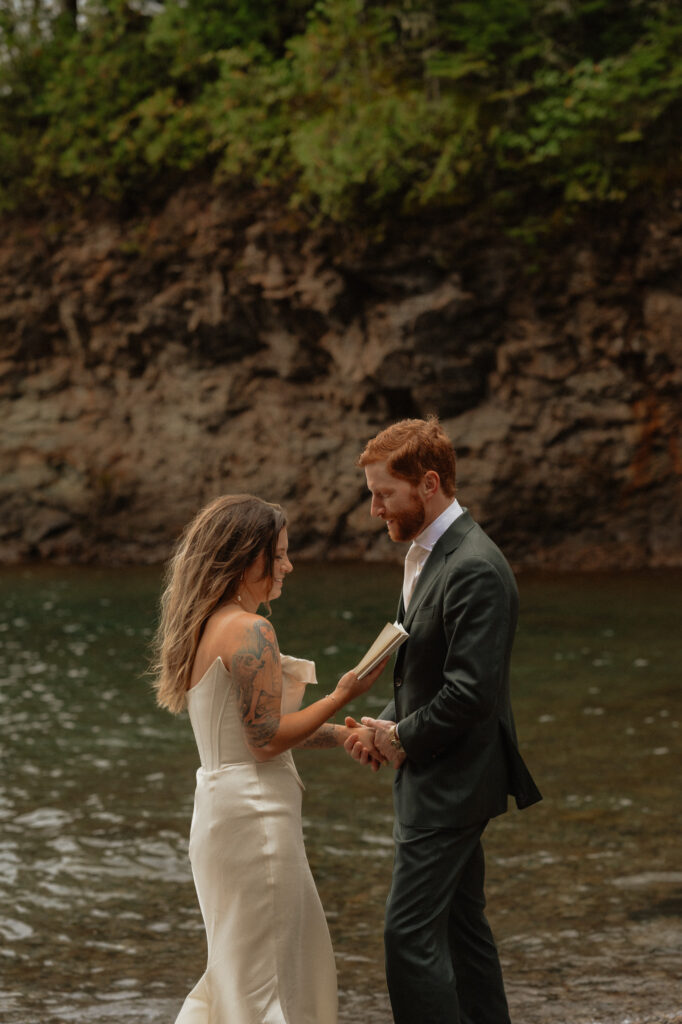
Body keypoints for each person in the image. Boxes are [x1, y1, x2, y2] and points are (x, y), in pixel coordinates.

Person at [152, 494, 387, 1024]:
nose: (288, 565)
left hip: (222, 811)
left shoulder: (202, 624)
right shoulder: (249, 629)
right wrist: (344, 692)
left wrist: (345, 735)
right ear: (244, 559)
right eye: (277, 555)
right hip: (256, 818)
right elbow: (263, 740)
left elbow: (253, 733)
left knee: (241, 972)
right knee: (274, 979)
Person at [344, 417, 542, 1024]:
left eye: (385, 493)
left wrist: (399, 737)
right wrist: (383, 723)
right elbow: (422, 670)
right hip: (445, 774)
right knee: (462, 930)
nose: (374, 507)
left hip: (451, 783)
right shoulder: (428, 553)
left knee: (407, 939)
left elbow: (470, 695)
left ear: (428, 484)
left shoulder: (474, 567)